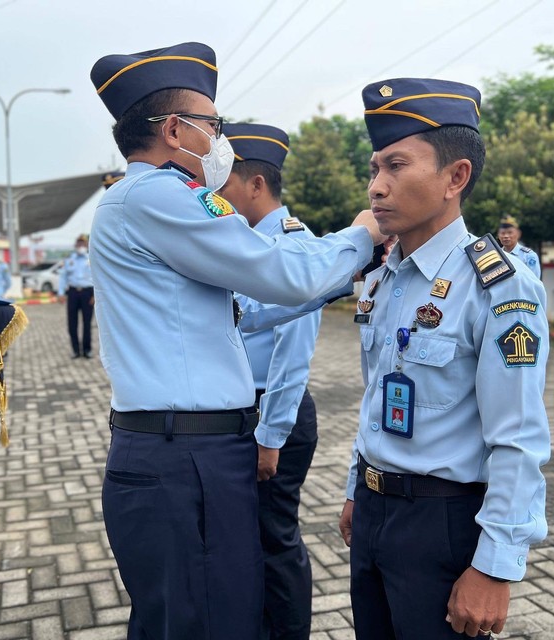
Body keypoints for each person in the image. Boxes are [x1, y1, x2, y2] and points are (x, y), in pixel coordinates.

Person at [89, 42, 383, 640]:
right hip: (185, 458)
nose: (220, 140)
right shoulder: (162, 196)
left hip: (185, 452)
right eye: (213, 125)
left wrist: (339, 275)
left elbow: (245, 311)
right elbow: (280, 272)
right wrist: (361, 235)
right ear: (175, 129)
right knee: (209, 619)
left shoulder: (144, 203)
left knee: (196, 613)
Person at [338, 78, 551, 639]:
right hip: (376, 511)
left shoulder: (498, 287)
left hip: (445, 524)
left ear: (456, 177)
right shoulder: (383, 280)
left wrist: (494, 566)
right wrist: (357, 487)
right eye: (374, 169)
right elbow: (376, 396)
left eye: (396, 166)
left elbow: (519, 436)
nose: (376, 188)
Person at [221, 122, 320, 640]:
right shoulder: (241, 247)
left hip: (274, 414)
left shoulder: (292, 248)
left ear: (256, 185)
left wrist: (270, 436)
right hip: (246, 409)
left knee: (275, 539)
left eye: (226, 183)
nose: (217, 194)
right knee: (251, 539)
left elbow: (292, 355)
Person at [57, 234, 94, 359]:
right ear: (75, 245)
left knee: (87, 323)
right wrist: (61, 293)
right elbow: (63, 277)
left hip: (88, 293)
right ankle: (75, 350)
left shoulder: (92, 259)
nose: (80, 246)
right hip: (73, 293)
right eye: (79, 244)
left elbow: (97, 278)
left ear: (87, 245)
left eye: (83, 244)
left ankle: (87, 350)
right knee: (72, 323)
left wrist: (95, 295)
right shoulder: (69, 260)